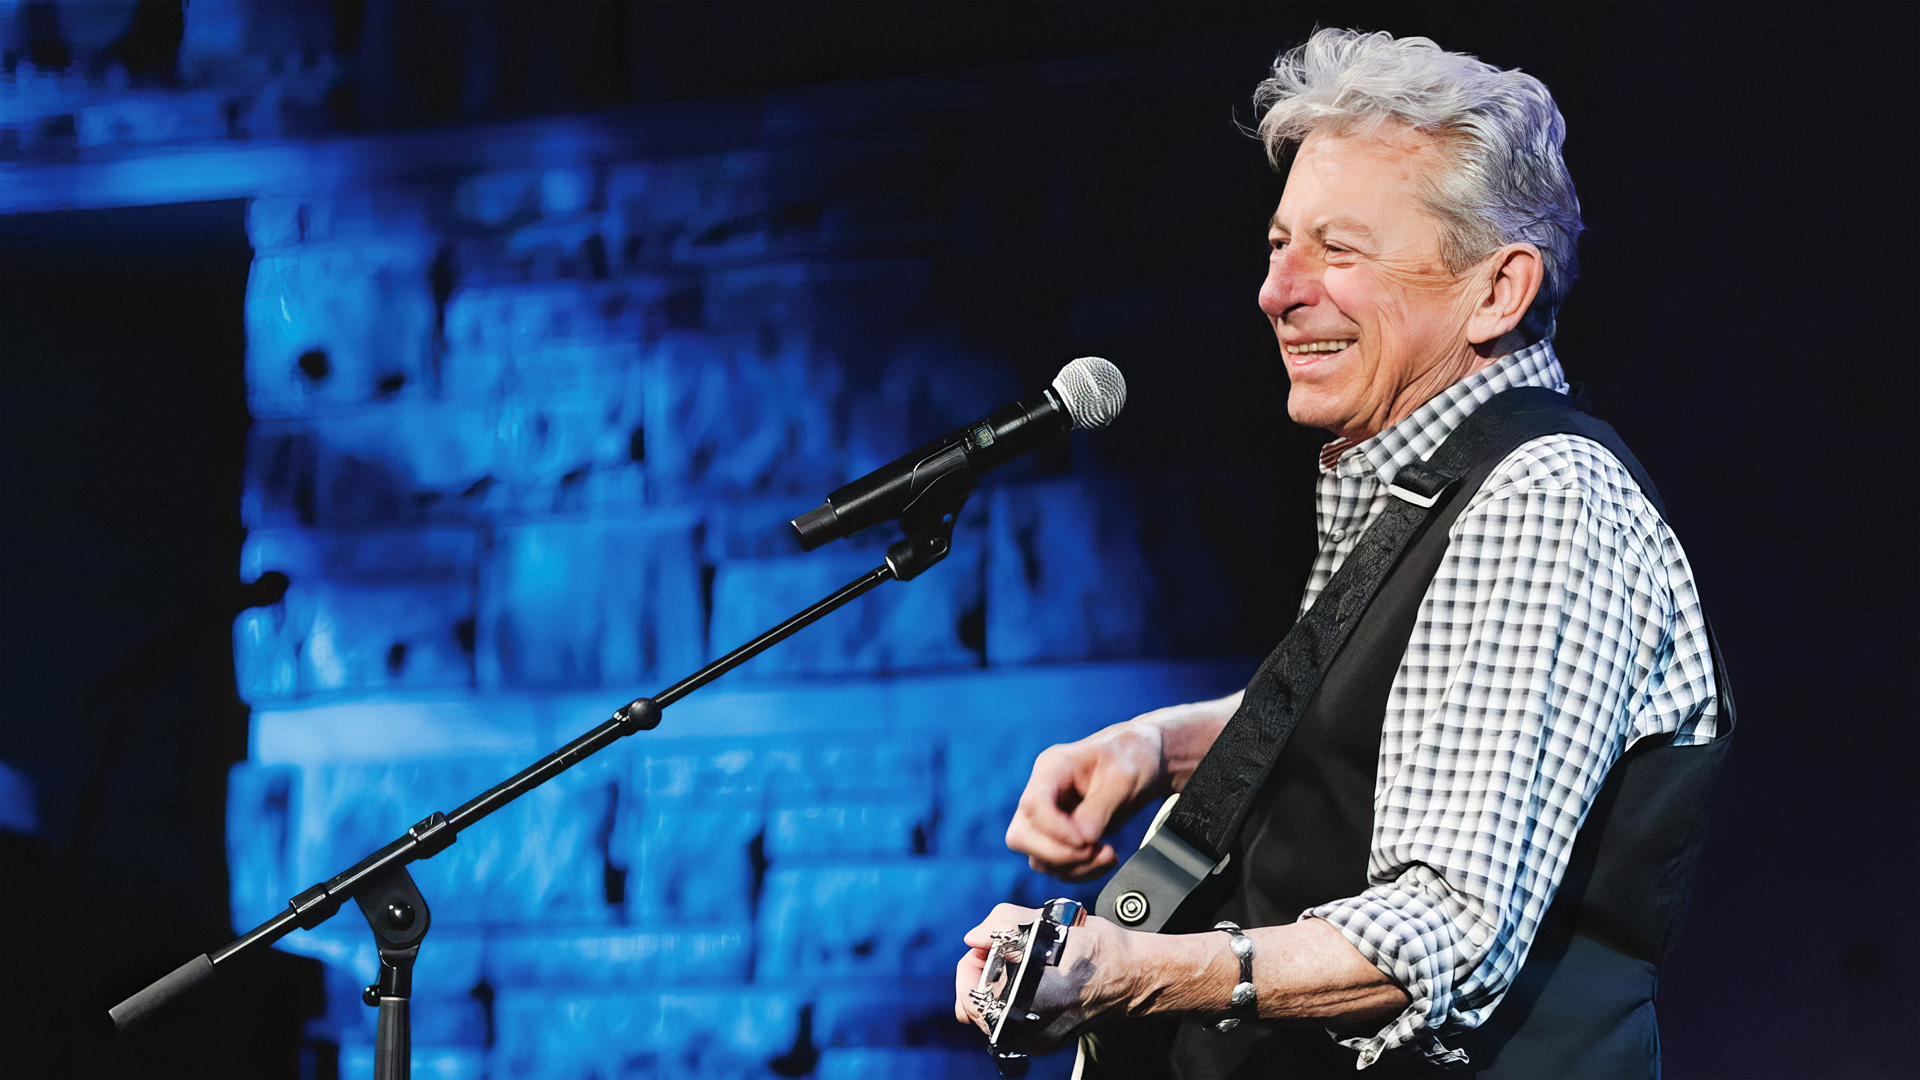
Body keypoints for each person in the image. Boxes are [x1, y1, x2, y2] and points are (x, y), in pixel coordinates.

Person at [954, 28, 1729, 1078]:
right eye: (1280, 245)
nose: (1278, 291)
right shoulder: (1430, 477)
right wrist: (1158, 746)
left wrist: (1133, 971)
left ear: (1498, 291)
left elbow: (1440, 933)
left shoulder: (1544, 499)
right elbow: (1400, 718)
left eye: (1339, 250)